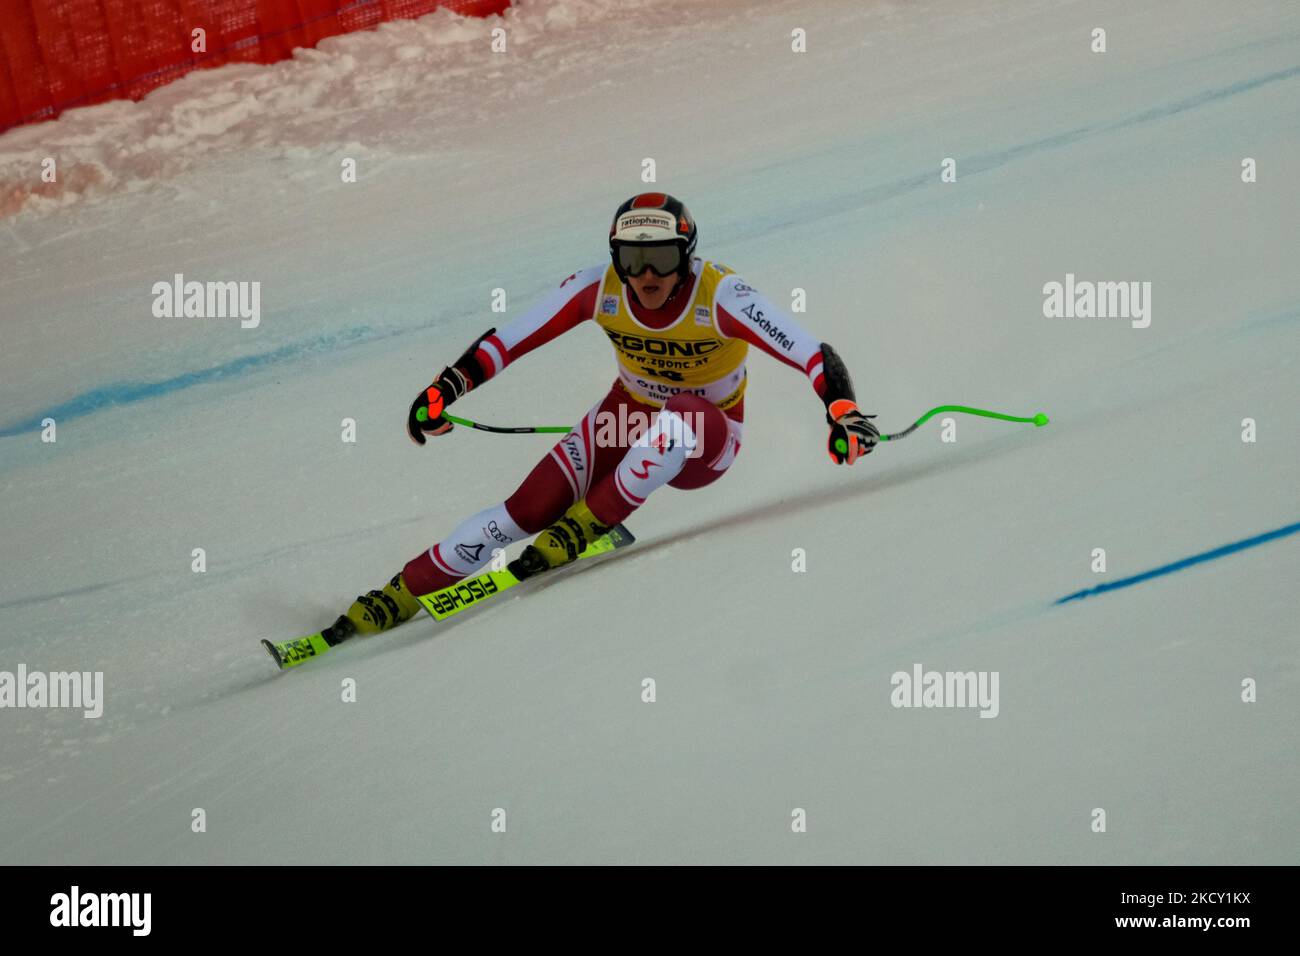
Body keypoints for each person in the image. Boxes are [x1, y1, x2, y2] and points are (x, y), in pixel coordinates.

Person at [320, 192, 878, 644]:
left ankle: (589, 523)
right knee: (526, 509)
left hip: (709, 436)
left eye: (661, 257)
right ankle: (399, 593)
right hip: (627, 417)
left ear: (686, 256)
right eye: (632, 259)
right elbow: (510, 340)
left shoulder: (722, 293)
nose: (647, 274)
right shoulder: (599, 288)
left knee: (681, 413)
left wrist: (842, 411)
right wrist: (446, 388)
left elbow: (811, 352)